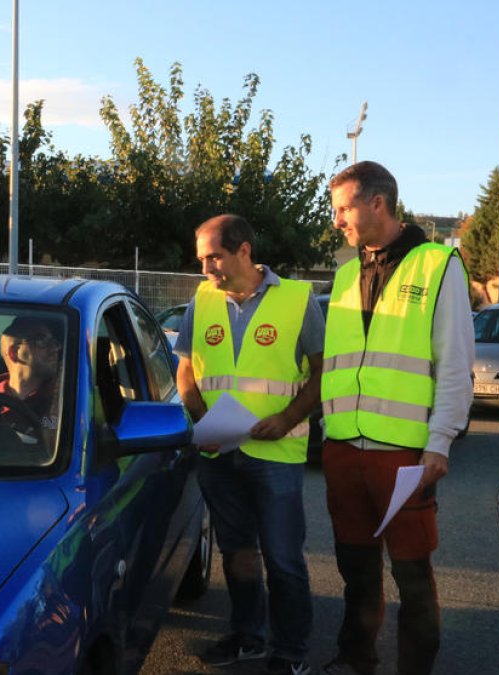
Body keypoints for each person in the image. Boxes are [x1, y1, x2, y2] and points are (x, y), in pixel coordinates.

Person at [320, 161, 474, 675]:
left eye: (343, 208)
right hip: (343, 448)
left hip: (405, 455)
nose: (336, 220)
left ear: (377, 203)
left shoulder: (438, 265)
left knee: (412, 575)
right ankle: (356, 658)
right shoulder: (345, 274)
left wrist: (441, 441)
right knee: (356, 570)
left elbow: (454, 364)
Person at [174, 214, 322, 675]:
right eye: (201, 259)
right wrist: (206, 421)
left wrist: (287, 418)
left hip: (276, 455)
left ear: (243, 251)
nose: (206, 269)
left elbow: (321, 374)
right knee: (236, 554)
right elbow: (186, 373)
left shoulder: (298, 299)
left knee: (282, 560)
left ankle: (291, 652)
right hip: (220, 452)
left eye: (213, 257)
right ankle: (248, 637)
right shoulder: (202, 300)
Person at [0, 316, 62, 434]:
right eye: (41, 341)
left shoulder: (65, 400)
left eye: (54, 342)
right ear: (15, 352)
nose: (55, 348)